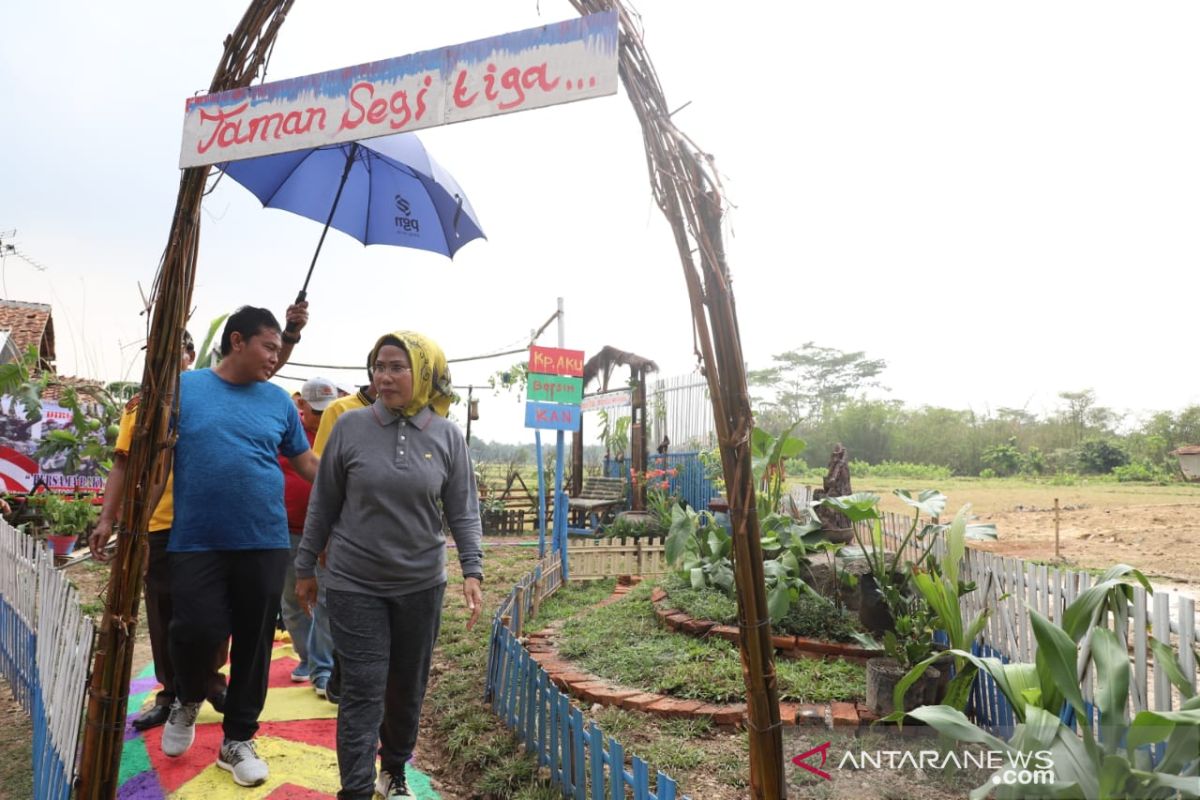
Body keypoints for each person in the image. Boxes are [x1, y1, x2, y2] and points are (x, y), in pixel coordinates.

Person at [296, 331, 483, 800]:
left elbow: (462, 509)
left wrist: (473, 571)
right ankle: (355, 789)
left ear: (423, 373)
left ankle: (393, 770)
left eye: (398, 366)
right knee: (363, 688)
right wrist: (304, 567)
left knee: (406, 686)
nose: (385, 376)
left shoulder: (446, 435)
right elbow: (323, 502)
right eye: (379, 366)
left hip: (421, 585)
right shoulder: (350, 428)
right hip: (354, 582)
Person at [160, 306, 319, 789]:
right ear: (236, 341)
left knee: (254, 641)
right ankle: (188, 697)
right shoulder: (186, 390)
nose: (277, 357)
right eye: (269, 347)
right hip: (195, 540)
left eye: (279, 348)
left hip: (265, 539)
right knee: (195, 627)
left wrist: (349, 480)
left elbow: (306, 463)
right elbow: (154, 455)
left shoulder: (278, 402)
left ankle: (237, 739)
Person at [87, 331, 228, 729]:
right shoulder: (139, 407)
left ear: (188, 355)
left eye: (170, 352)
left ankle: (213, 684)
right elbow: (122, 465)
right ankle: (171, 693)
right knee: (164, 612)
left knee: (212, 611)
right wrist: (106, 519)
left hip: (207, 524)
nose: (160, 360)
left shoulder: (209, 396)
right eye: (151, 353)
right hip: (158, 526)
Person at [278, 377, 337, 696]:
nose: (322, 416)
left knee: (326, 597)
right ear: (301, 405)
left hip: (327, 532)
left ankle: (321, 665)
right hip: (286, 529)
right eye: (316, 411)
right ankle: (306, 657)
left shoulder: (337, 428)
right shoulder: (287, 431)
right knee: (293, 598)